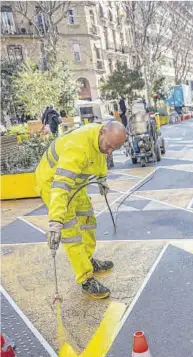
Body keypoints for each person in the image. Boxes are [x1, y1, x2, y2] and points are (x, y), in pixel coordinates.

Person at [35, 121, 126, 299]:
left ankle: (88, 259)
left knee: (88, 220)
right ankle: (85, 279)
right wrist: (55, 221)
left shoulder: (100, 141)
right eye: (109, 147)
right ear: (102, 132)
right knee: (71, 233)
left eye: (113, 150)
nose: (109, 152)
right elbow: (60, 187)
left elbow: (99, 158)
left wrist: (102, 179)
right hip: (53, 183)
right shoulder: (77, 146)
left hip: (76, 183)